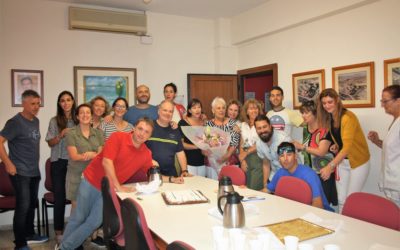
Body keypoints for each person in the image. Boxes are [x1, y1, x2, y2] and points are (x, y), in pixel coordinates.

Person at [58, 118, 160, 250]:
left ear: (149, 137)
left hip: (108, 191)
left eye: (146, 132)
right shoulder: (118, 137)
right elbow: (107, 162)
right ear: (134, 128)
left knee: (94, 222)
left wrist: (172, 179)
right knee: (78, 218)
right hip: (91, 180)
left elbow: (151, 172)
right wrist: (118, 186)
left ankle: (64, 247)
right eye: (140, 129)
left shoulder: (146, 153)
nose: (142, 134)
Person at [0, 90, 48, 250]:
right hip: (20, 172)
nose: (36, 107)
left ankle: (29, 234)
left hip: (33, 171)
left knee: (31, 204)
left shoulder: (36, 121)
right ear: (24, 103)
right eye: (32, 103)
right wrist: (7, 163)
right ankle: (19, 243)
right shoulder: (15, 122)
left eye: (38, 103)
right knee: (22, 206)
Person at [318, 88, 370, 212]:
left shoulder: (348, 117)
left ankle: (352, 227)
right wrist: (337, 145)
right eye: (324, 103)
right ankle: (343, 225)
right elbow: (342, 140)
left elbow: (347, 147)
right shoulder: (330, 118)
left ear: (337, 100)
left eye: (330, 102)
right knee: (341, 199)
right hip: (343, 162)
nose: (327, 105)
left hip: (358, 162)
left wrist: (330, 166)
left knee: (351, 199)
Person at [45, 91, 78, 243]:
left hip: (75, 162)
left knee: (76, 199)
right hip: (58, 162)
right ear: (59, 104)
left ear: (73, 101)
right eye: (62, 101)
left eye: (68, 100)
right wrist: (61, 135)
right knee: (59, 198)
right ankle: (59, 233)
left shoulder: (79, 119)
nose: (66, 103)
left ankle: (74, 230)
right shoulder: (54, 121)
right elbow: (50, 142)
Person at [292, 101, 338, 207]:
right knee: (311, 202)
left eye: (306, 112)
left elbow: (321, 151)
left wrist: (302, 147)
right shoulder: (305, 128)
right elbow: (309, 148)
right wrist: (298, 148)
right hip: (309, 172)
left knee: (324, 204)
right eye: (302, 112)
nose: (303, 115)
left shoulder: (325, 129)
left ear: (315, 113)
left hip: (323, 172)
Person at [265, 142, 333, 211]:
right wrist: (253, 196)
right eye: (282, 156)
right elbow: (267, 190)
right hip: (294, 211)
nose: (285, 159)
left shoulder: (309, 174)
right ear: (279, 159)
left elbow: (318, 205)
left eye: (289, 155)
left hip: (322, 214)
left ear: (295, 156)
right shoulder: (280, 172)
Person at [65, 104, 104, 211]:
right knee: (77, 208)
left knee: (92, 208)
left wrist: (92, 154)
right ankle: (75, 228)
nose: (85, 115)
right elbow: (74, 156)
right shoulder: (71, 133)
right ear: (77, 116)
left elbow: (101, 155)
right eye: (81, 112)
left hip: (94, 176)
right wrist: (91, 155)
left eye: (88, 112)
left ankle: (91, 228)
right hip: (76, 176)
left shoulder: (99, 133)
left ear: (92, 116)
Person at [368, 85, 400, 206]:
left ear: (398, 100)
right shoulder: (396, 121)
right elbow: (394, 149)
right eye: (382, 101)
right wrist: (377, 141)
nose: (383, 105)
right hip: (391, 183)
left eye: (385, 101)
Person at [146, 100, 191, 180]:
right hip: (151, 174)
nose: (167, 113)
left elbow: (180, 152)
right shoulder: (149, 127)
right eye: (165, 110)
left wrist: (184, 170)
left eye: (170, 111)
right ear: (159, 111)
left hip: (172, 176)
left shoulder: (175, 130)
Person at [205, 97, 241, 179]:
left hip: (230, 161)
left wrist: (225, 157)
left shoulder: (232, 123)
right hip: (212, 162)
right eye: (218, 108)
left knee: (231, 187)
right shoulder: (208, 125)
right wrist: (206, 150)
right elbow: (205, 141)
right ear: (213, 110)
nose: (221, 110)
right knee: (212, 188)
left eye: (223, 108)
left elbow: (234, 142)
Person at [255, 115, 291, 186]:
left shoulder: (283, 139)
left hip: (290, 175)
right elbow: (266, 163)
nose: (262, 131)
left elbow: (291, 164)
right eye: (259, 128)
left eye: (265, 127)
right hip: (274, 176)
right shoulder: (258, 143)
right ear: (256, 130)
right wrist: (265, 183)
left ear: (270, 126)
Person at [238, 99, 264, 190]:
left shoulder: (262, 124)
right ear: (246, 111)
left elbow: (261, 143)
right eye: (251, 108)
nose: (254, 110)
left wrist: (246, 153)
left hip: (258, 159)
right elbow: (242, 143)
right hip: (246, 160)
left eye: (256, 108)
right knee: (245, 189)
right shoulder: (243, 125)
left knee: (254, 190)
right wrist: (242, 160)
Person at [178, 98, 207, 177]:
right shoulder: (183, 123)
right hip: (188, 162)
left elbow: (208, 140)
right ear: (190, 110)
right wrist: (197, 146)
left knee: (203, 186)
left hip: (203, 162)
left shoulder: (204, 122)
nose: (197, 110)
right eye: (194, 108)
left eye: (199, 107)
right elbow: (181, 144)